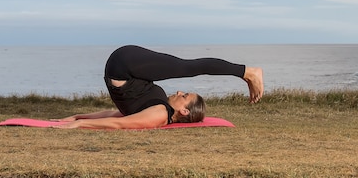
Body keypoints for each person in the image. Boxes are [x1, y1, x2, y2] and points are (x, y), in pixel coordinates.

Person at [54, 45, 263, 129]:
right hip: (126, 66)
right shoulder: (160, 108)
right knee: (187, 66)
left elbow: (119, 123)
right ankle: (246, 72)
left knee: (189, 67)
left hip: (123, 65)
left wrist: (81, 124)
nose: (180, 92)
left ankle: (248, 72)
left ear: (184, 110)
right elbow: (117, 114)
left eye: (185, 95)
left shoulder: (160, 114)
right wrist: (79, 116)